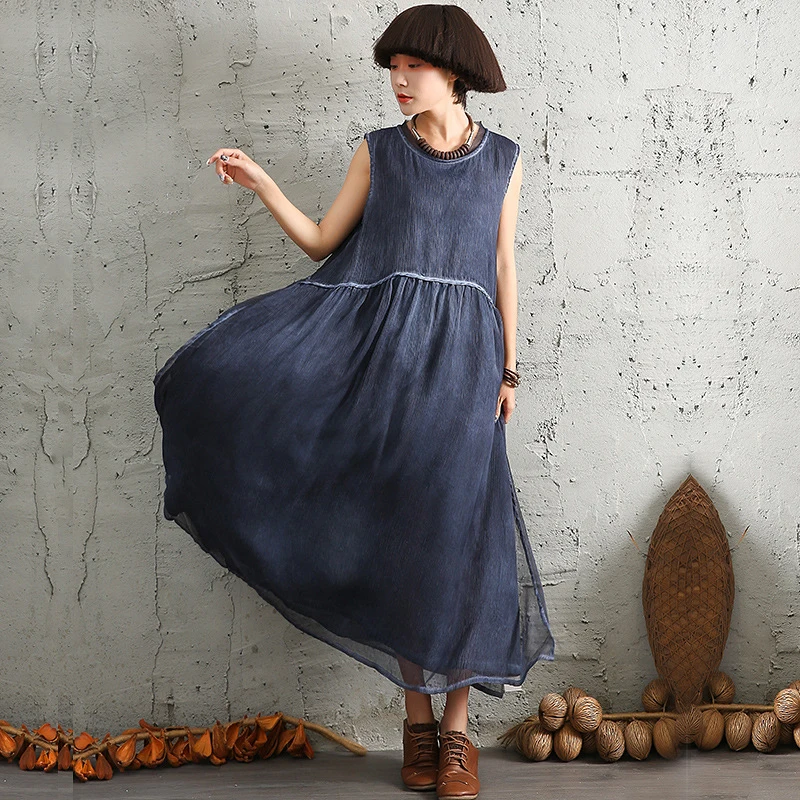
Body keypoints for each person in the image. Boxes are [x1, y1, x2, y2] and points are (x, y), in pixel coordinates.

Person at [153, 4, 555, 798]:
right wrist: (264, 183)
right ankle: (417, 723)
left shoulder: (505, 160)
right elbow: (320, 241)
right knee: (401, 538)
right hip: (389, 364)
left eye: (413, 66)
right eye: (392, 68)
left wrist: (509, 372)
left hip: (467, 368)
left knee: (462, 541)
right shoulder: (379, 152)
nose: (398, 80)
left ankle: (458, 737)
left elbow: (504, 265)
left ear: (454, 70)